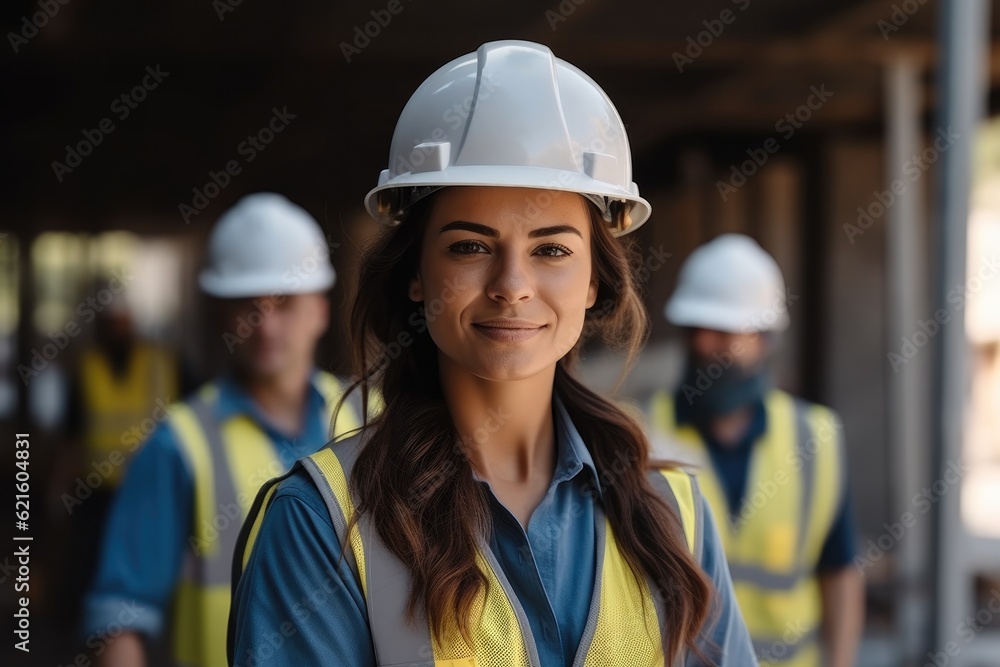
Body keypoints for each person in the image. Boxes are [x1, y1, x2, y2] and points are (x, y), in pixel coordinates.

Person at [229, 40, 756, 667]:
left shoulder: (673, 520)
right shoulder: (319, 525)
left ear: (593, 281)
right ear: (416, 274)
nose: (512, 285)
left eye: (552, 249)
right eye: (469, 247)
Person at [82, 193, 366, 667]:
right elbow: (121, 616)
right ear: (221, 315)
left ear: (320, 309)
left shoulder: (375, 418)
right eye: (248, 306)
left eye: (284, 302)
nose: (266, 325)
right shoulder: (179, 444)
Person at [646, 234, 863, 667]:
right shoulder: (642, 433)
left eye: (735, 333)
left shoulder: (813, 438)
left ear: (766, 339)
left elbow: (839, 571)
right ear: (687, 333)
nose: (719, 347)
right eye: (706, 329)